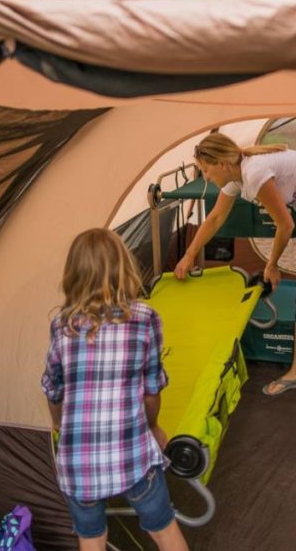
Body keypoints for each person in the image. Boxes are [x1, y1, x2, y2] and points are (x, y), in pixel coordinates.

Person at [173, 132, 296, 409]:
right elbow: (214, 218)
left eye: (205, 170)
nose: (205, 177)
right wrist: (188, 256)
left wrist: (271, 265)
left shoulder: (254, 173)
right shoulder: (235, 176)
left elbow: (285, 225)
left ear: (222, 164)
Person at [42, 228, 189, 551]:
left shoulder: (61, 325)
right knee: (164, 530)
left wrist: (57, 422)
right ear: (125, 268)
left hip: (78, 464)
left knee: (92, 540)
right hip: (132, 457)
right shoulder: (145, 318)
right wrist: (153, 427)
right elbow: (152, 389)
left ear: (73, 274)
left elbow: (53, 389)